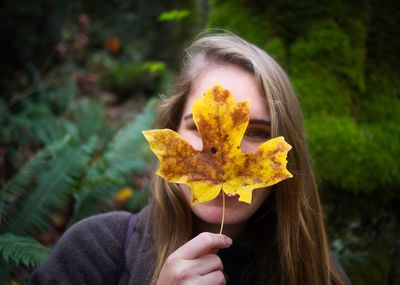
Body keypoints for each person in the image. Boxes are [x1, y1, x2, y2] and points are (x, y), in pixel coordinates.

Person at [30, 31, 351, 285]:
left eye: (256, 132)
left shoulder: (320, 275)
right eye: (200, 128)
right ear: (173, 132)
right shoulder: (93, 252)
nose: (227, 153)